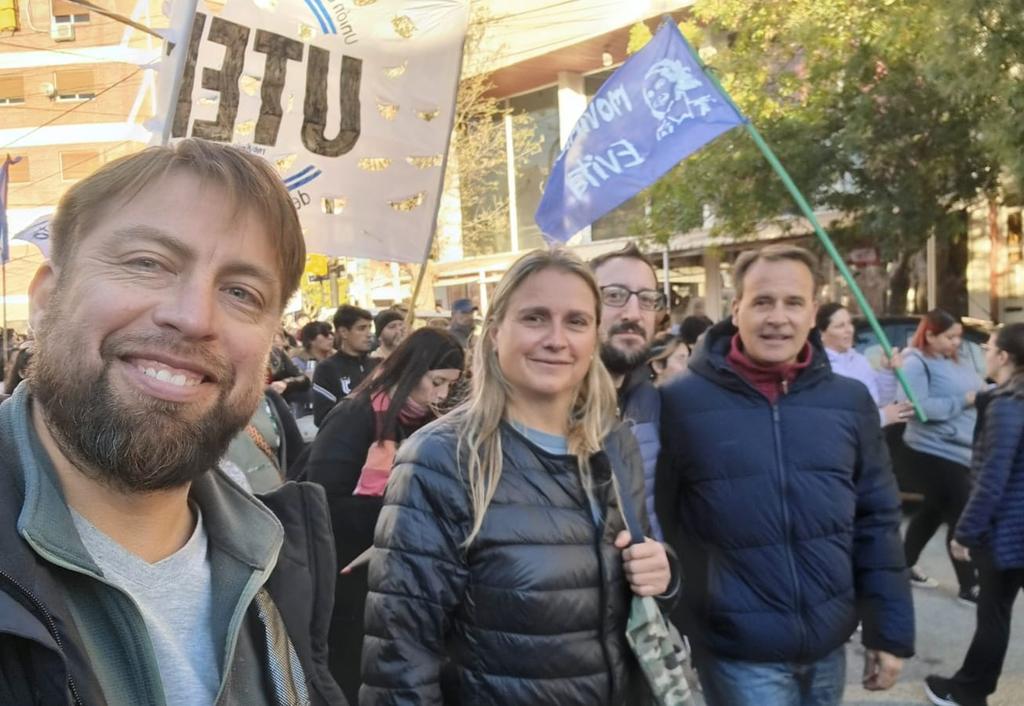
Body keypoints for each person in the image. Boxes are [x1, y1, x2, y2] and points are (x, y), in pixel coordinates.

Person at [0, 139, 344, 705]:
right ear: (46, 297)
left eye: (241, 292)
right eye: (147, 263)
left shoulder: (287, 564)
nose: (192, 317)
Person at [360, 249, 677, 705]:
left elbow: (627, 583)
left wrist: (665, 572)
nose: (556, 339)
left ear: (593, 337)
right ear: (494, 334)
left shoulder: (613, 443)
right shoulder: (439, 460)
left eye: (576, 322)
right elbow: (399, 658)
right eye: (534, 318)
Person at [657, 244, 914, 706]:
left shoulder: (850, 401)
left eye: (794, 302)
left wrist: (887, 631)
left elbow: (877, 520)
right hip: (737, 653)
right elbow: (665, 523)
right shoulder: (679, 404)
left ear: (813, 311)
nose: (778, 317)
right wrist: (691, 626)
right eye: (762, 301)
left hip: (829, 645)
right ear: (736, 310)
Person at [304, 328, 464, 704]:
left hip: (399, 575)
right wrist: (406, 516)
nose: (440, 395)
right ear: (412, 369)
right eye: (436, 382)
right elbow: (323, 500)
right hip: (346, 575)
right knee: (351, 671)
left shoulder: (426, 423)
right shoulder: (354, 414)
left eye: (448, 386)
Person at [924, 324, 1024, 706]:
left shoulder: (1007, 405)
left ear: (1004, 357)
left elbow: (990, 480)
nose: (983, 352)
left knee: (994, 613)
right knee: (995, 611)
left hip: (1009, 534)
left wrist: (964, 534)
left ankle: (968, 691)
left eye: (989, 347)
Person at [900, 309, 986, 599]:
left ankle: (903, 563)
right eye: (949, 337)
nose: (956, 343)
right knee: (961, 512)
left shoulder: (956, 362)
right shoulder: (915, 363)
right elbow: (917, 408)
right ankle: (969, 584)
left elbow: (978, 389)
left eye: (958, 337)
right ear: (930, 335)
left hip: (961, 448)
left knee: (934, 510)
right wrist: (963, 401)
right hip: (931, 449)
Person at [591, 243, 666, 541]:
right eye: (614, 296)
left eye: (647, 299)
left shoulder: (659, 404)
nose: (633, 313)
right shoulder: (546, 407)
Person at [816, 302, 914, 426]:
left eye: (849, 323)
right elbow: (840, 420)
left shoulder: (859, 360)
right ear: (822, 334)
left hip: (870, 440)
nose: (849, 330)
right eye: (840, 326)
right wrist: (883, 417)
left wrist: (887, 370)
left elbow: (880, 400)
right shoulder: (821, 369)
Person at [312, 304, 377, 426]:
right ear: (344, 332)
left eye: (370, 327)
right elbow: (322, 417)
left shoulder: (379, 365)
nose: (369, 334)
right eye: (362, 328)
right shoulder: (327, 369)